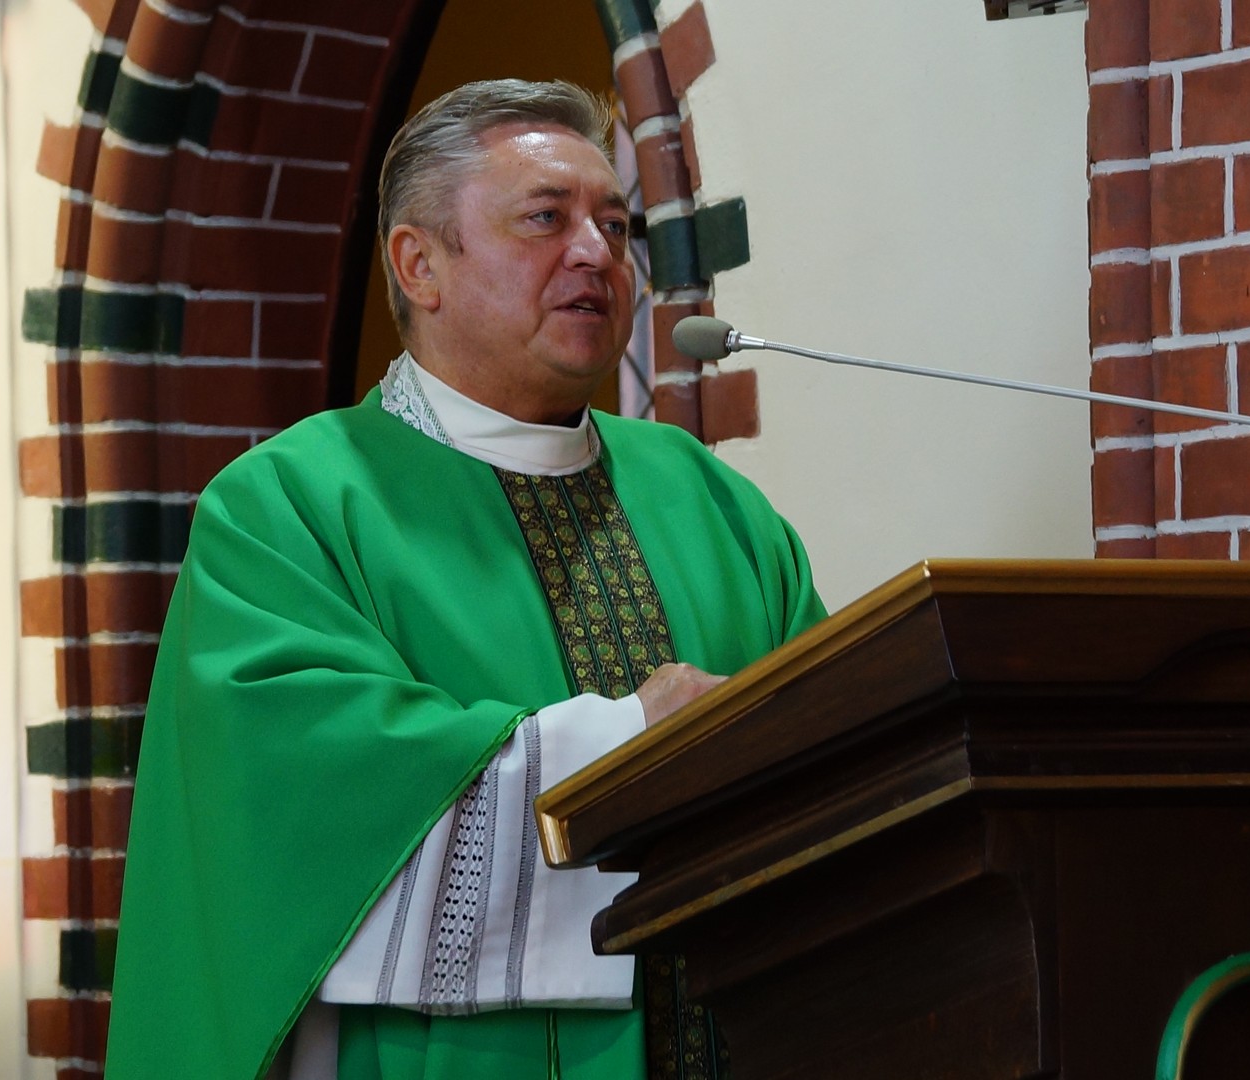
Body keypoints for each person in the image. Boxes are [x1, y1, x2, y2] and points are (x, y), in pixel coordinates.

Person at [104, 79, 826, 1080]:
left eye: (615, 227)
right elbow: (294, 830)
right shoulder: (290, 507)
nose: (596, 253)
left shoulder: (712, 501)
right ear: (420, 265)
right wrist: (631, 742)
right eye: (546, 218)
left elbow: (843, 752)